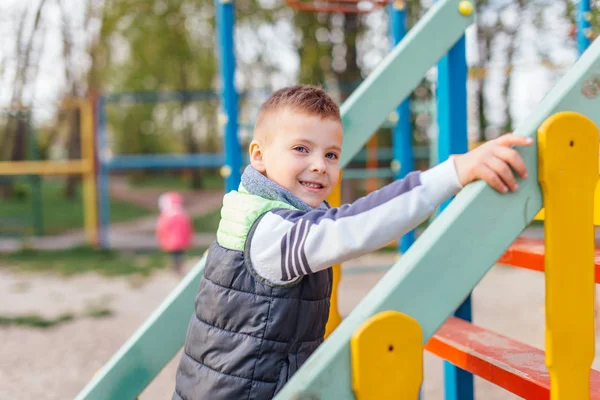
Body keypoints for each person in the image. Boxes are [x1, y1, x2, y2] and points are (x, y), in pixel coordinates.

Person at [172, 84, 532, 400]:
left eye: (331, 154)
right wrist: (452, 173)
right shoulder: (273, 232)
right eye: (301, 148)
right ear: (259, 156)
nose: (319, 165)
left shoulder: (250, 210)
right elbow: (357, 226)